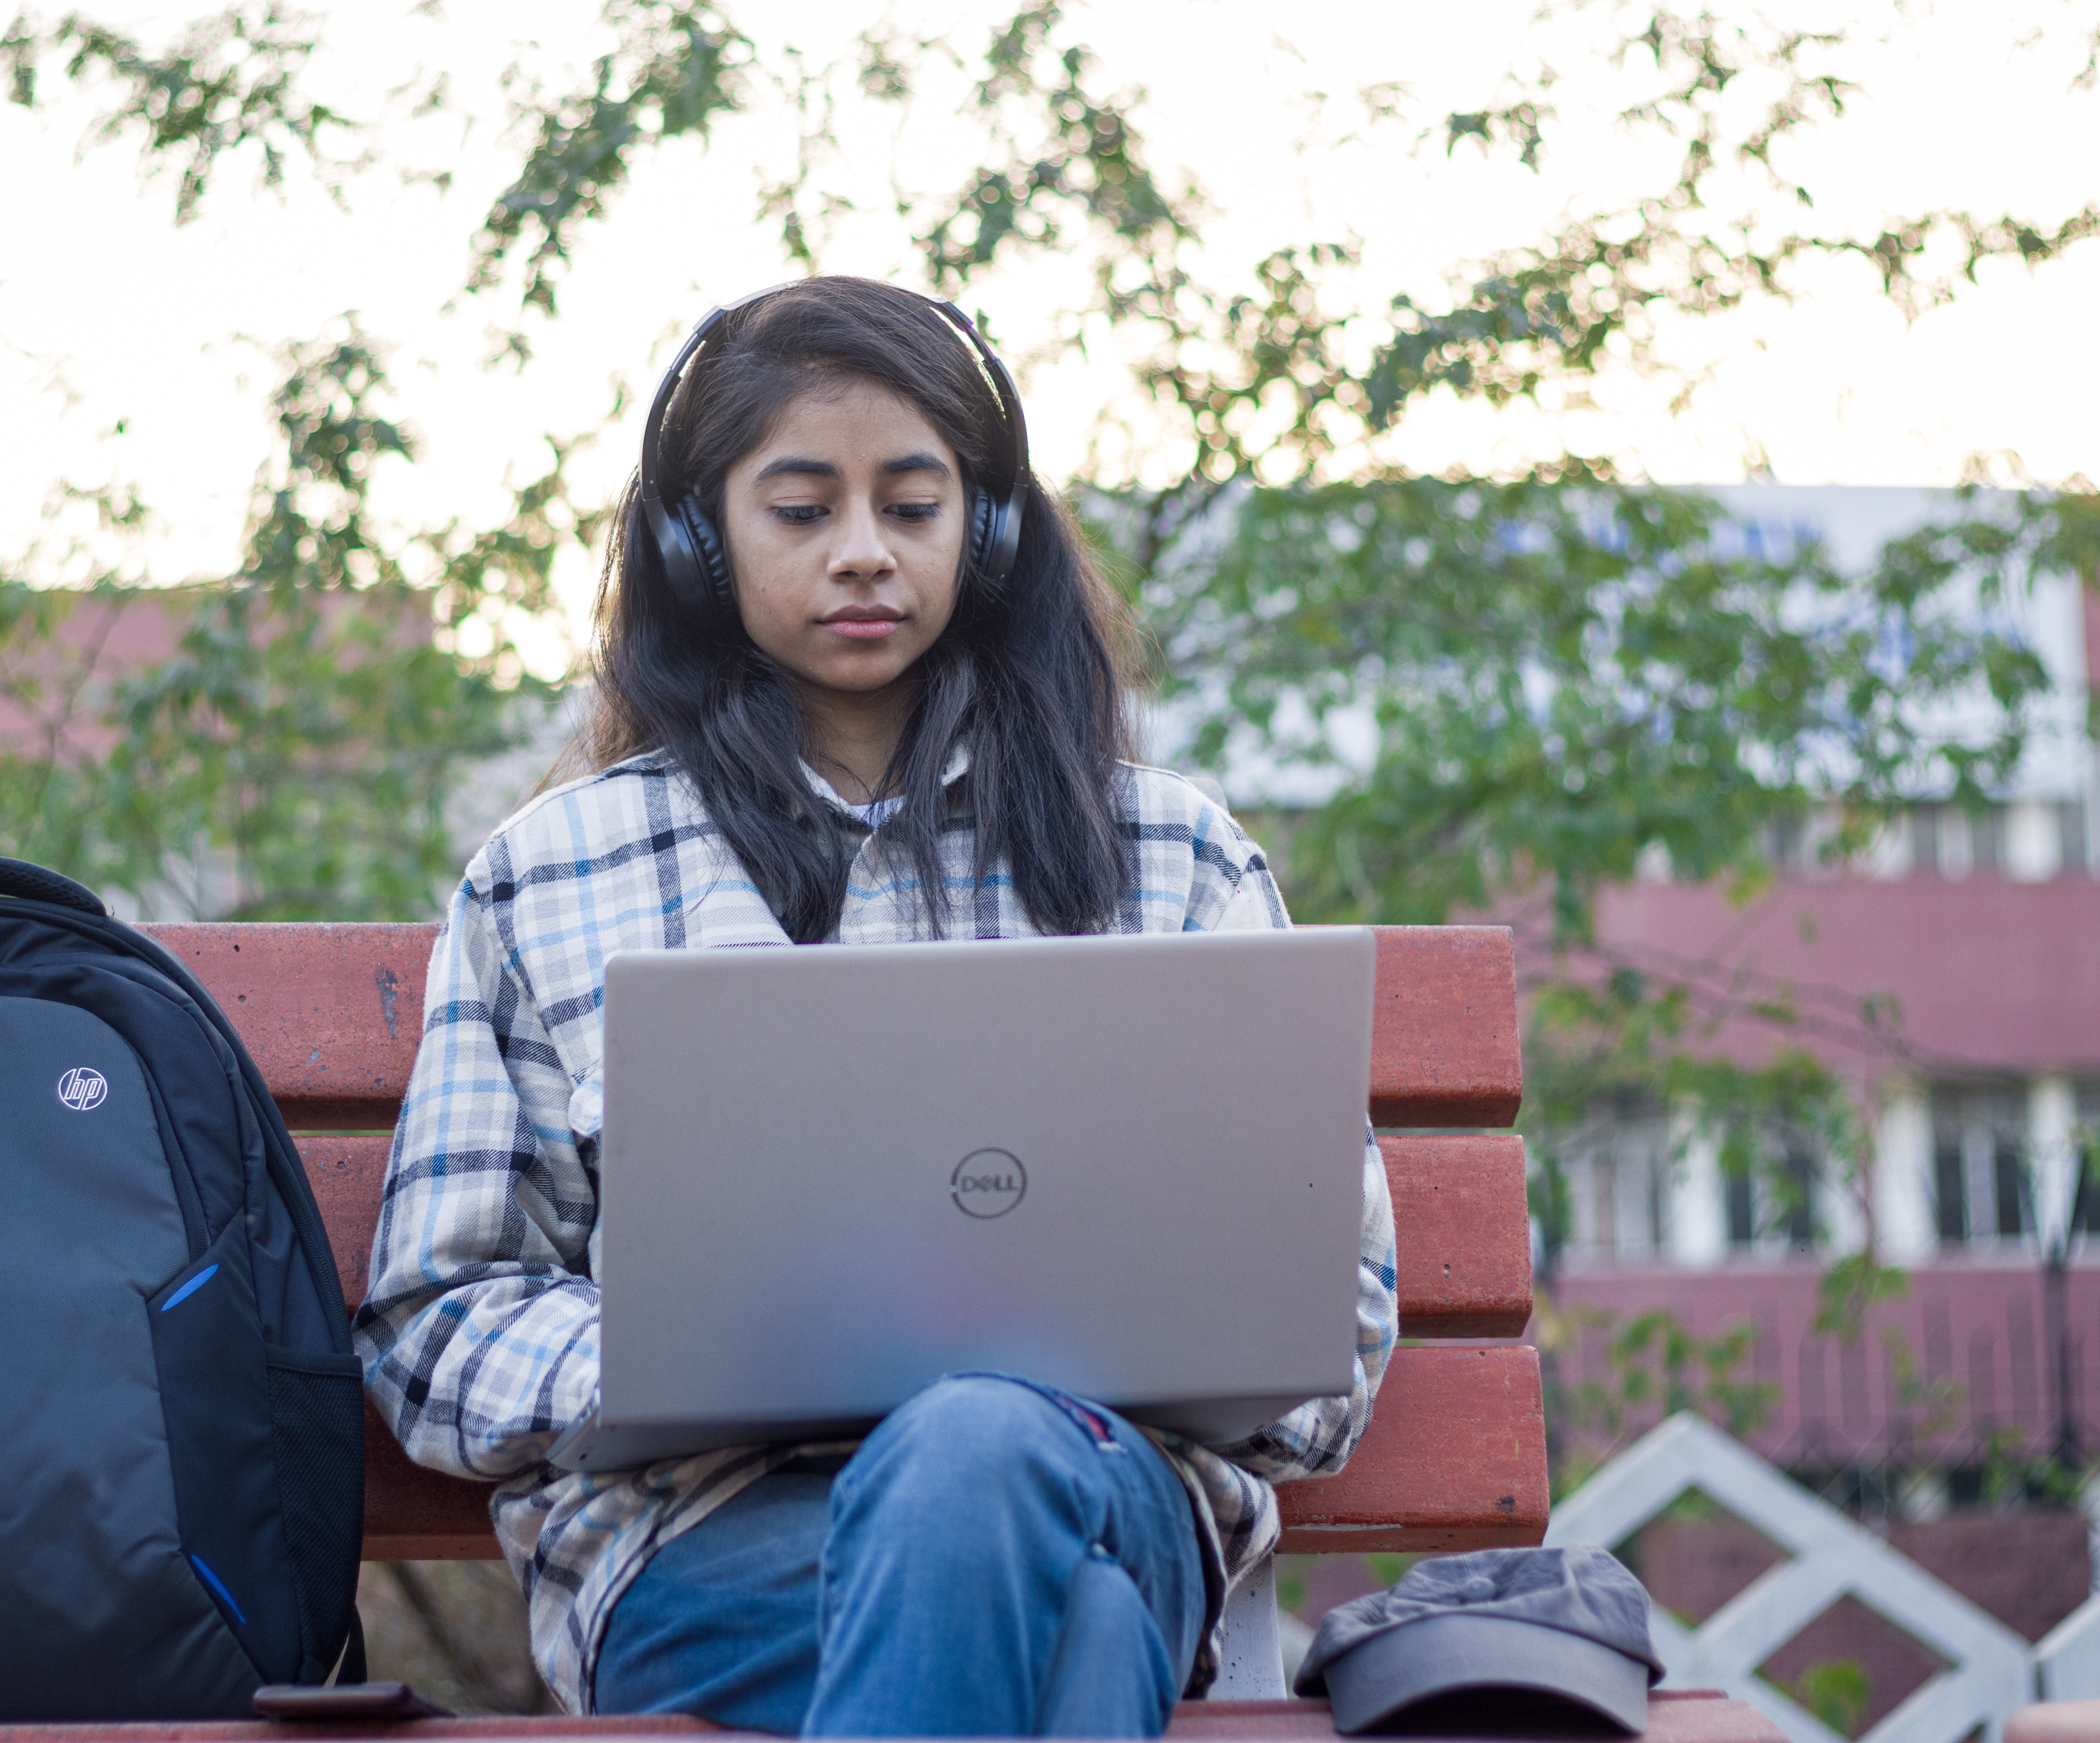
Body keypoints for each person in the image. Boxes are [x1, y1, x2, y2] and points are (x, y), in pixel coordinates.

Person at [355, 276, 1396, 1737]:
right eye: (802, 509)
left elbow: (1332, 1317)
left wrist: (1044, 1392)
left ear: (989, 529)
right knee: (1076, 1639)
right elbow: (432, 1317)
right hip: (711, 1546)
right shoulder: (553, 876)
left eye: (913, 507)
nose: (863, 554)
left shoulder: (1174, 855)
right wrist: (671, 1364)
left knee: (979, 1454)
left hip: (1103, 1487)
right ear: (697, 539)